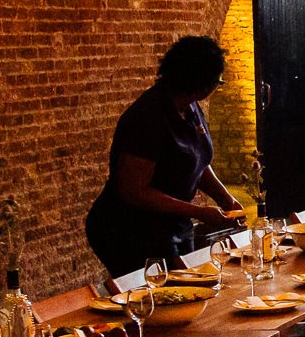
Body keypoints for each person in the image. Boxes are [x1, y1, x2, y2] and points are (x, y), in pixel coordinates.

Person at [85, 36, 244, 276]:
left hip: (173, 224)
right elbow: (134, 191)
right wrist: (200, 212)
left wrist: (225, 198)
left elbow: (197, 160)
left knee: (190, 283)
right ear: (202, 84)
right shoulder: (148, 117)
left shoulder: (189, 107)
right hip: (130, 228)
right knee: (161, 296)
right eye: (218, 82)